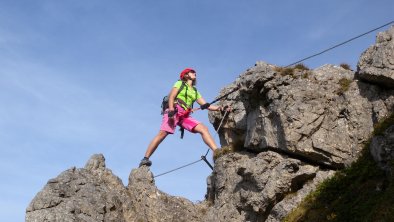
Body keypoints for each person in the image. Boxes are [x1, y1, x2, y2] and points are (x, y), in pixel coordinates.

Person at [139, 68, 226, 167]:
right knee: (163, 133)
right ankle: (145, 158)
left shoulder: (195, 91)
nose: (194, 73)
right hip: (174, 110)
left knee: (203, 129)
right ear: (186, 75)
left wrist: (221, 108)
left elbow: (206, 105)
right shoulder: (179, 83)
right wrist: (171, 110)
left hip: (185, 115)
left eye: (195, 72)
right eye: (192, 72)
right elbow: (172, 96)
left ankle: (217, 152)